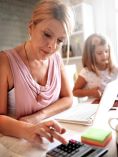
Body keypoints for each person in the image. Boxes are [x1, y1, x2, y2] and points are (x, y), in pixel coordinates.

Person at [0, 0, 74, 144]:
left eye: (60, 40)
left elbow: (68, 98)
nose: (52, 46)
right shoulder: (4, 61)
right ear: (31, 28)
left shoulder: (56, 60)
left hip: (50, 141)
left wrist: (39, 116)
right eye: (47, 34)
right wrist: (27, 129)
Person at [73, 33, 118, 103]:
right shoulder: (86, 72)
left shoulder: (114, 69)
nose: (104, 55)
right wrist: (90, 92)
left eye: (106, 51)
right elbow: (75, 92)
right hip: (94, 106)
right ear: (90, 55)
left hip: (112, 104)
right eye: (99, 53)